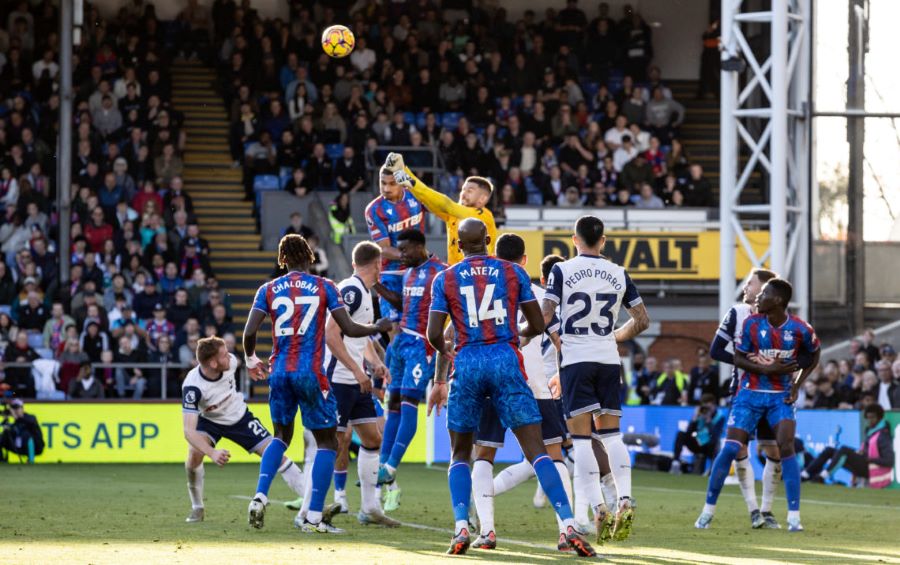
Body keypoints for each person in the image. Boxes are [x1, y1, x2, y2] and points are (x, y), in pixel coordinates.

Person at [425, 218, 595, 557]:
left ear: (459, 245)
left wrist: (448, 353)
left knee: (462, 453)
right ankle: (567, 525)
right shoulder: (512, 273)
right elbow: (536, 323)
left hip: (468, 362)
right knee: (537, 451)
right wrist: (510, 337)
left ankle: (463, 527)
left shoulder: (445, 278)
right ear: (487, 240)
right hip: (505, 360)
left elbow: (434, 334)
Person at [242, 234, 390, 533]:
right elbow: (347, 327)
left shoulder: (268, 289)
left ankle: (259, 495)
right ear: (310, 256)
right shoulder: (325, 286)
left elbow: (249, 331)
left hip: (280, 371)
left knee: (281, 436)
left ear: (282, 260)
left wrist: (249, 359)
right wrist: (377, 326)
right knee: (328, 443)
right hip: (311, 372)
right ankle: (312, 517)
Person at [541, 215, 650, 542]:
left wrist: (539, 333)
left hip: (576, 359)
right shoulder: (619, 273)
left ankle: (599, 506)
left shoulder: (561, 270)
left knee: (583, 440)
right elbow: (642, 320)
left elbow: (546, 315)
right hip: (606, 359)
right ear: (603, 241)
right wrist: (614, 336)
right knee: (613, 436)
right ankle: (626, 500)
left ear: (574, 239)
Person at [469, 234, 574, 552]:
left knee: (483, 456)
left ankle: (487, 531)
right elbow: (561, 343)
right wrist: (560, 375)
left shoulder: (481, 293)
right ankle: (566, 530)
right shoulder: (541, 296)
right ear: (525, 260)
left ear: (494, 258)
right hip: (534, 386)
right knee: (553, 456)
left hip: (491, 383)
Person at [696, 278, 820, 532]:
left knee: (785, 448)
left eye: (763, 293)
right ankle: (707, 512)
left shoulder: (800, 328)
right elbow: (738, 357)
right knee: (731, 449)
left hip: (780, 396)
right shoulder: (751, 323)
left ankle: (792, 517)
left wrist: (796, 385)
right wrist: (769, 367)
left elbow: (814, 354)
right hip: (748, 394)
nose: (757, 297)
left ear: (776, 300)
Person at [181, 336, 306, 523]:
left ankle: (312, 502)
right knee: (193, 457)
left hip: (240, 417)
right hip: (209, 421)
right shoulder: (193, 387)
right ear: (213, 363)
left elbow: (240, 361)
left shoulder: (229, 362)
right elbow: (188, 431)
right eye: (224, 355)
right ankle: (197, 507)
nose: (229, 356)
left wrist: (250, 367)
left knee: (275, 454)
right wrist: (212, 452)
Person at [324, 242, 398, 526]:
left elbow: (358, 335)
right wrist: (357, 371)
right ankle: (337, 499)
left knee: (372, 438)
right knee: (338, 439)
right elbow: (331, 335)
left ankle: (370, 508)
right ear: (379, 264)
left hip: (356, 379)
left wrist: (374, 363)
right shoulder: (352, 291)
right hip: (338, 380)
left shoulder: (366, 293)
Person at [372, 229, 446, 511]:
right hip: (400, 344)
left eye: (404, 250)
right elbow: (404, 304)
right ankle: (383, 466)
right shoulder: (410, 274)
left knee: (407, 405)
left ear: (419, 246)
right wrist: (378, 287)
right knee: (392, 406)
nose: (400, 255)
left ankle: (391, 466)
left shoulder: (440, 272)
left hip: (421, 347)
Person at [708, 267, 783, 529]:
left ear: (764, 289)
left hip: (772, 392)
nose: (746, 287)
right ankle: (753, 510)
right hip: (742, 390)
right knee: (739, 447)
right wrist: (747, 362)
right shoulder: (737, 313)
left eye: (750, 283)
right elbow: (716, 350)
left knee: (773, 450)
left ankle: (767, 510)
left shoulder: (778, 319)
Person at [386, 152, 497, 265]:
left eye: (470, 191)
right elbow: (427, 200)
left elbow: (446, 205)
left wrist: (410, 182)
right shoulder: (453, 215)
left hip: (481, 276)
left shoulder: (483, 216)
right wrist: (403, 171)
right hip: (456, 275)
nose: (463, 193)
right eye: (463, 189)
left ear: (482, 199)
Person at [363, 165, 427, 324]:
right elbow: (383, 248)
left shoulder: (416, 196)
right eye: (382, 183)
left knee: (420, 324)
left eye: (392, 183)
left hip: (417, 271)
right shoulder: (374, 210)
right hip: (390, 273)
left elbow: (441, 208)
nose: (386, 188)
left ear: (402, 183)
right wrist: (412, 256)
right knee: (393, 328)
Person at [801, 404, 894, 488]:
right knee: (830, 450)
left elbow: (890, 460)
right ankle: (806, 474)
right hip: (866, 463)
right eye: (868, 418)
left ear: (879, 418)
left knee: (844, 451)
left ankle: (822, 477)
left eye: (872, 418)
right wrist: (862, 453)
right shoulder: (871, 431)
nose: (870, 420)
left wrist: (871, 459)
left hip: (872, 469)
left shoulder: (883, 435)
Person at [672, 394, 725, 473]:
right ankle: (675, 463)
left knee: (716, 444)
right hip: (697, 442)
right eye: (705, 407)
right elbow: (689, 432)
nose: (706, 410)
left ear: (714, 406)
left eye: (708, 408)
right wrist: (694, 419)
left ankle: (713, 470)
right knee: (681, 434)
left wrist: (708, 421)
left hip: (709, 446)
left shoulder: (720, 417)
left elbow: (715, 436)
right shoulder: (700, 414)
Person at [0, 398, 44, 463]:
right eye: (14, 408)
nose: (15, 410)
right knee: (3, 436)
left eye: (17, 408)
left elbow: (28, 422)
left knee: (26, 434)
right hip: (19, 446)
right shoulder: (15, 422)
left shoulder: (30, 417)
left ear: (22, 408)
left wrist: (15, 416)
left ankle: (31, 460)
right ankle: (1, 460)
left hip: (36, 447)